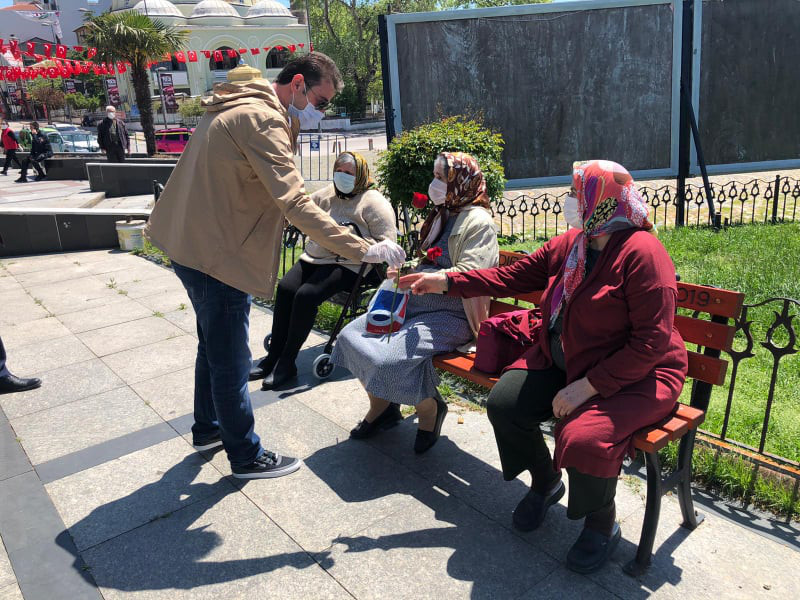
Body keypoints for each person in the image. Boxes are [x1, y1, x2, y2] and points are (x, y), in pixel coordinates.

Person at [401, 160, 688, 573]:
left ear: (603, 200)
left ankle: (601, 522)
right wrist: (447, 281)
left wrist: (587, 387)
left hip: (636, 374)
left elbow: (650, 344)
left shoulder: (643, 254)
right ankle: (545, 481)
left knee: (583, 437)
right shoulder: (576, 242)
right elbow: (513, 277)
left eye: (576, 193)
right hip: (567, 358)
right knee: (505, 405)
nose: (569, 200)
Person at [145, 59, 404, 480]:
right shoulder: (263, 119)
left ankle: (208, 428)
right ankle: (245, 455)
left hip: (193, 244)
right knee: (230, 359)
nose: (321, 111)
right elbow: (296, 203)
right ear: (298, 84)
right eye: (320, 101)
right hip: (218, 256)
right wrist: (365, 250)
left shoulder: (239, 106)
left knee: (212, 347)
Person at [333, 152, 499, 454]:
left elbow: (473, 274)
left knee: (387, 360)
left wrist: (427, 278)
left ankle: (429, 409)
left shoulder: (479, 221)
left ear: (460, 181)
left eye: (441, 178)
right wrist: (407, 268)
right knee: (350, 337)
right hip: (415, 302)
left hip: (452, 313)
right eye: (435, 176)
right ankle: (382, 407)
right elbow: (428, 259)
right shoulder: (443, 213)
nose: (434, 184)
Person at [252, 151, 397, 389]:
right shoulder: (327, 194)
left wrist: (350, 240)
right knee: (286, 288)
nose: (342, 176)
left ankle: (287, 363)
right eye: (339, 171)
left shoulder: (374, 202)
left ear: (361, 174)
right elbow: (302, 210)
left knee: (306, 296)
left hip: (351, 264)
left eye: (349, 172)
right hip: (318, 256)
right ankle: (273, 355)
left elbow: (387, 245)